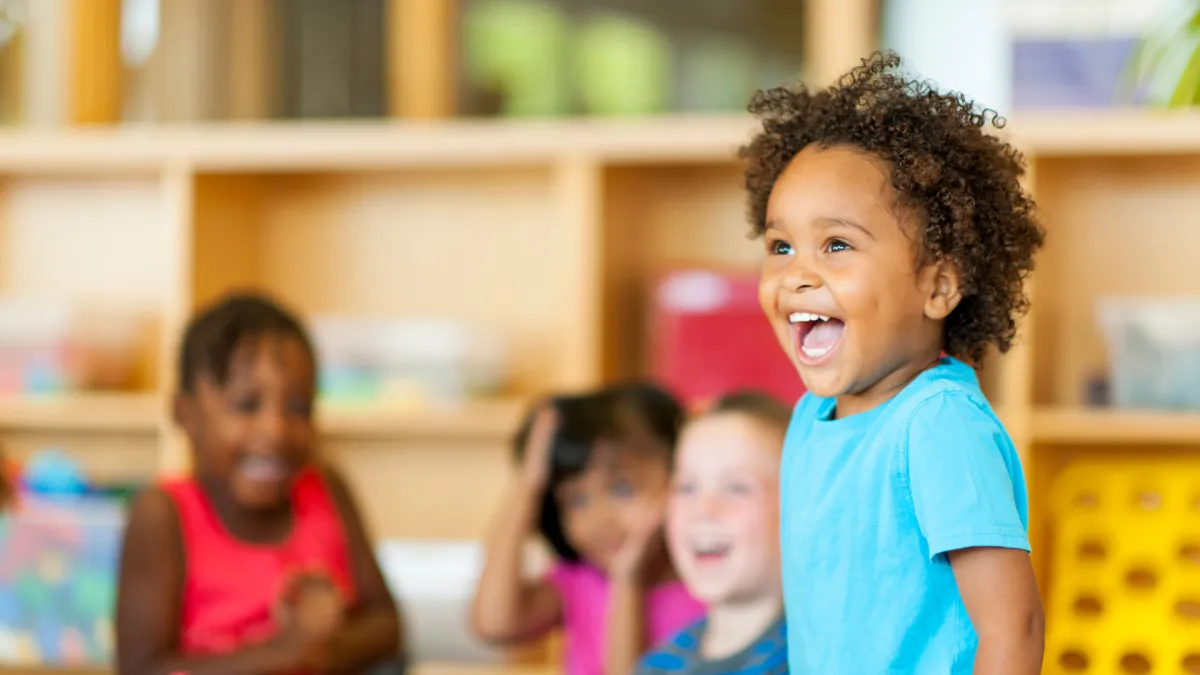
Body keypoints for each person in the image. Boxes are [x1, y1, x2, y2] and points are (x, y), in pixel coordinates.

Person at [745, 51, 1046, 673]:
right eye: (781, 245)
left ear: (938, 286)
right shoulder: (810, 416)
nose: (797, 274)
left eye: (836, 244)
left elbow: (1014, 630)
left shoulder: (938, 427)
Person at [115, 292, 403, 675]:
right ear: (186, 415)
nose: (276, 430)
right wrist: (285, 652)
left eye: (298, 407)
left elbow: (387, 623)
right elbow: (142, 668)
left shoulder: (326, 489)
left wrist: (327, 645)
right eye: (247, 404)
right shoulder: (163, 515)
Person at [470, 383, 704, 675]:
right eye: (575, 499)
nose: (598, 519)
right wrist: (529, 484)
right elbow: (494, 624)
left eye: (621, 488)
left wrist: (629, 581)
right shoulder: (576, 583)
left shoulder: (711, 587)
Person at [637, 391, 790, 675]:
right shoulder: (658, 664)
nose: (703, 509)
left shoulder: (812, 658)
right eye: (687, 488)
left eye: (737, 488)